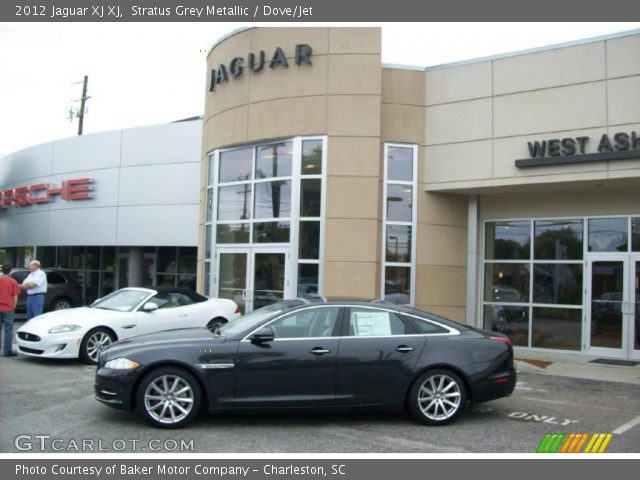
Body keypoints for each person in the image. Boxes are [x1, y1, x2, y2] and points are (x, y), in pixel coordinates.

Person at [0, 264, 21, 357]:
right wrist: (14, 306)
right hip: (8, 308)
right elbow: (15, 295)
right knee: (8, 330)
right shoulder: (13, 282)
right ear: (10, 271)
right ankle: (7, 350)